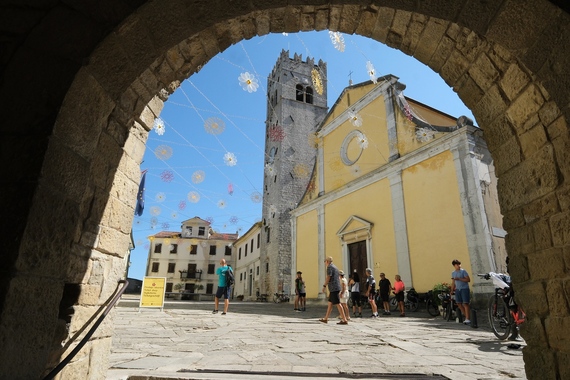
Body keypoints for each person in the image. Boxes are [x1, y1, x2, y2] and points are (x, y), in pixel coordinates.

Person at [319, 256, 348, 325]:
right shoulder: (335, 267)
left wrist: (324, 285)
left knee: (338, 303)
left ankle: (344, 319)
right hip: (335, 287)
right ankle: (326, 318)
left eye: (325, 261)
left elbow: (329, 277)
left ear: (327, 261)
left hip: (334, 288)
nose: (325, 263)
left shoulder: (329, 267)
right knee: (330, 303)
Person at [451, 259, 471, 325]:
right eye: (457, 265)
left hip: (464, 288)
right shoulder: (453, 273)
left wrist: (459, 279)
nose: (459, 266)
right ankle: (466, 316)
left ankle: (468, 318)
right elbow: (453, 282)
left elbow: (468, 279)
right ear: (454, 265)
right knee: (458, 303)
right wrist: (452, 289)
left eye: (459, 264)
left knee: (465, 303)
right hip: (458, 289)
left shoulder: (463, 271)